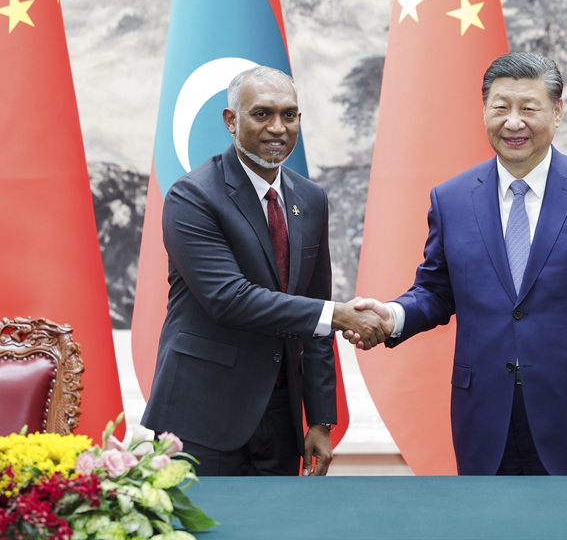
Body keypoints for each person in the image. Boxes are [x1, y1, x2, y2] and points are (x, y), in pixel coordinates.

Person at [354, 52, 567, 476]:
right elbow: (436, 291)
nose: (513, 122)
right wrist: (392, 316)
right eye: (500, 107)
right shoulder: (451, 199)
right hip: (485, 419)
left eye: (528, 108)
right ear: (484, 110)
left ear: (557, 112)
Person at [142, 66, 389, 477]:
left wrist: (320, 419)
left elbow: (315, 310)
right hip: (201, 414)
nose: (277, 128)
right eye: (262, 114)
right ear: (231, 120)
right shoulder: (192, 196)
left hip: (280, 419)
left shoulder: (311, 198)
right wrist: (338, 315)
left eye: (288, 115)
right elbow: (229, 299)